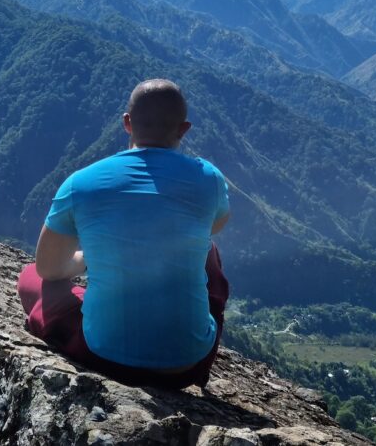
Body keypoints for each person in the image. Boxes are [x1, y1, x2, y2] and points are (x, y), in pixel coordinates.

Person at [17, 78, 230, 389]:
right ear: (184, 129)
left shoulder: (81, 183)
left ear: (127, 123)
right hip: (186, 366)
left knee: (30, 279)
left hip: (105, 357)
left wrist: (88, 259)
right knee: (208, 252)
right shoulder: (209, 179)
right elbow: (213, 227)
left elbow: (48, 268)